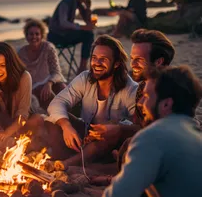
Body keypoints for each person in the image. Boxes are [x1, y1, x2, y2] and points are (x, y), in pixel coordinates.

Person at [98, 65, 202, 197]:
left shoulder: (154, 135)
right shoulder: (194, 133)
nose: (141, 103)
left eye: (146, 96)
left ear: (166, 104)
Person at [43, 35, 138, 168]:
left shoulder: (130, 88)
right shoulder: (85, 78)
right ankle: (61, 158)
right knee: (52, 121)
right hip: (86, 134)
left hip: (111, 144)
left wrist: (118, 128)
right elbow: (58, 102)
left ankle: (65, 165)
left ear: (116, 63)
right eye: (94, 58)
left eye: (103, 59)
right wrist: (66, 126)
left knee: (106, 137)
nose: (97, 63)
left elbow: (141, 126)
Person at [112, 29, 175, 168]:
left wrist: (120, 130)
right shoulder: (142, 86)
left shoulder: (170, 91)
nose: (132, 65)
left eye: (139, 60)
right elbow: (141, 126)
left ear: (158, 61)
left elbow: (163, 137)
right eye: (132, 59)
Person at [18, 19, 66, 111]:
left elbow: (56, 72)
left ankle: (75, 113)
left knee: (62, 88)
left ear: (42, 35)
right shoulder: (21, 53)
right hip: (33, 87)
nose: (34, 37)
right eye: (31, 34)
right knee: (46, 94)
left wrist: (49, 83)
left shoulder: (48, 48)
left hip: (49, 81)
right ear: (26, 36)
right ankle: (62, 116)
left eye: (37, 34)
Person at [47, 0, 95, 74]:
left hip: (65, 35)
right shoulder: (67, 2)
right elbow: (63, 23)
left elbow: (87, 21)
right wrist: (80, 27)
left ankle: (83, 67)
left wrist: (87, 8)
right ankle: (82, 68)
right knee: (88, 35)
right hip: (56, 36)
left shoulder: (78, 4)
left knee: (89, 33)